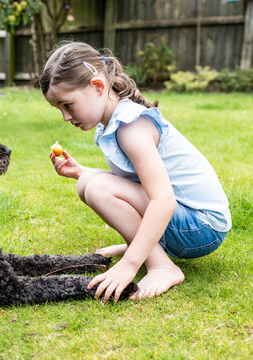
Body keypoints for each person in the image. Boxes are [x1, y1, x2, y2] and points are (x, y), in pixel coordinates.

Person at [39, 41, 231, 302]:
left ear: (97, 86)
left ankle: (162, 266)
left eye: (67, 105)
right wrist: (80, 171)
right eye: (59, 109)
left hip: (201, 227)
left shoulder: (131, 126)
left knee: (96, 188)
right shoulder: (114, 121)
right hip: (188, 220)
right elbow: (133, 180)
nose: (64, 116)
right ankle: (143, 245)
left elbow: (164, 200)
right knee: (87, 182)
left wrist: (129, 264)